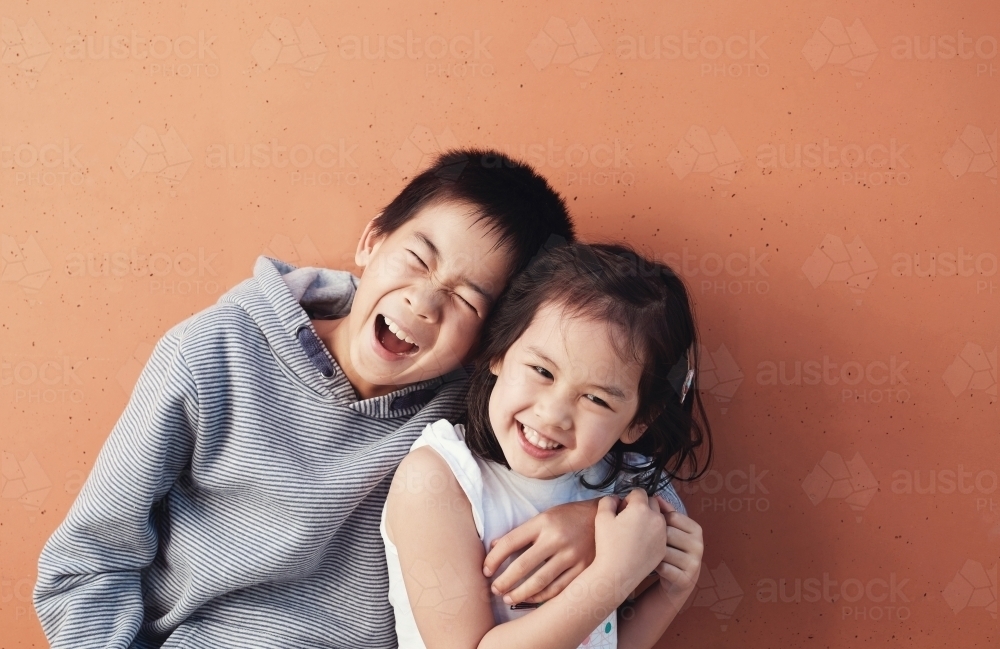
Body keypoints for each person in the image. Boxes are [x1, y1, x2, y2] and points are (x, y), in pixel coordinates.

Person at [33, 150, 597, 649]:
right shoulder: (214, 351)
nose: (425, 303)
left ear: (492, 343)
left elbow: (635, 468)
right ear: (372, 241)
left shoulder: (480, 408)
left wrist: (594, 521)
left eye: (468, 302)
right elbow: (85, 562)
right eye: (417, 260)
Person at [383, 243, 713, 649]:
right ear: (500, 351)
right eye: (542, 370)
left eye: (596, 399)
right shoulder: (439, 479)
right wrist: (611, 577)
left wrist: (670, 593)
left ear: (639, 420)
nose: (554, 414)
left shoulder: (623, 483)